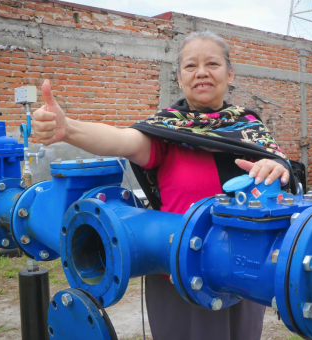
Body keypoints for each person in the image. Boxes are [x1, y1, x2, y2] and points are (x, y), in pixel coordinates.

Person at [33, 32, 293, 340]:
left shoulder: (250, 128)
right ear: (180, 77)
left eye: (212, 63)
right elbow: (123, 140)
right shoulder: (166, 131)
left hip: (246, 267)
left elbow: (284, 175)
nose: (201, 72)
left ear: (229, 73)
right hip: (178, 273)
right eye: (190, 65)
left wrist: (278, 168)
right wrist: (69, 128)